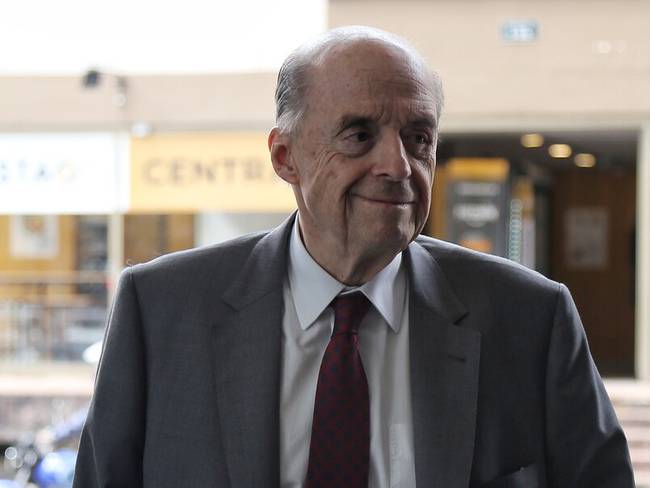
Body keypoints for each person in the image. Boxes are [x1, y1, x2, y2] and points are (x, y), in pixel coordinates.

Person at [73, 26, 634, 487]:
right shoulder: (162, 311)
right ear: (285, 156)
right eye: (359, 135)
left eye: (418, 138)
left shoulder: (530, 317)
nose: (397, 165)